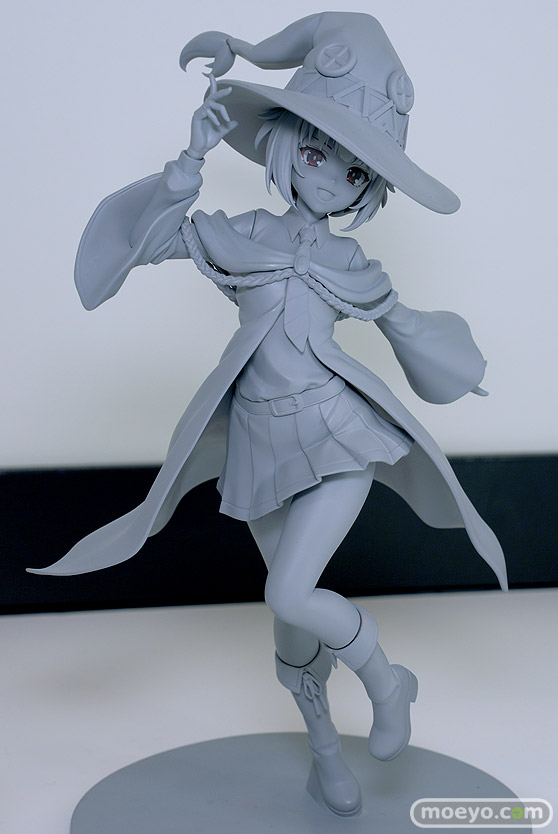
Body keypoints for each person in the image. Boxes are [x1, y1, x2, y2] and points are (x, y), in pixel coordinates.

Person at [29, 13, 507, 817]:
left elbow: (405, 325)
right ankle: (325, 756)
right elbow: (154, 242)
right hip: (259, 447)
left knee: (289, 591)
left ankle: (389, 683)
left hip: (338, 436)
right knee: (288, 624)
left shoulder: (348, 260)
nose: (331, 179)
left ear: (368, 188)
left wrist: (459, 371)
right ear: (284, 143)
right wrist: (190, 159)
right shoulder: (245, 235)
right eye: (317, 153)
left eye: (354, 172)